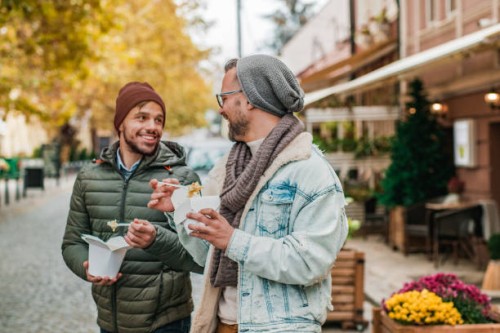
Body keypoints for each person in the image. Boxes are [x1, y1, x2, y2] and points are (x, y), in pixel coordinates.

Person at [148, 55, 349, 333]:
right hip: (223, 324)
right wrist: (180, 210)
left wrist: (233, 240)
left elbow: (310, 262)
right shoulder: (227, 167)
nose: (221, 110)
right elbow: (208, 255)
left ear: (250, 98)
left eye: (224, 98)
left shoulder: (309, 170)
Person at [61, 81, 204, 333]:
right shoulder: (88, 176)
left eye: (158, 120)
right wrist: (86, 266)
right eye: (142, 117)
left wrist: (155, 240)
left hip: (166, 322)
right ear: (120, 123)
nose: (152, 127)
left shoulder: (183, 179)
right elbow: (72, 243)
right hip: (110, 320)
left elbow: (199, 258)